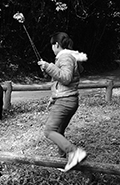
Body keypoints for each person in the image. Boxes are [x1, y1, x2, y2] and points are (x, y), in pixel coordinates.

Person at [37, 32, 88, 172]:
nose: (52, 49)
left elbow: (65, 78)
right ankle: (64, 159)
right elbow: (62, 82)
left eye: (52, 46)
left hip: (65, 101)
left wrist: (48, 66)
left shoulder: (65, 56)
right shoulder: (69, 56)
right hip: (68, 100)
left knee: (49, 131)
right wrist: (53, 98)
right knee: (59, 130)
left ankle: (74, 152)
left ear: (56, 45)